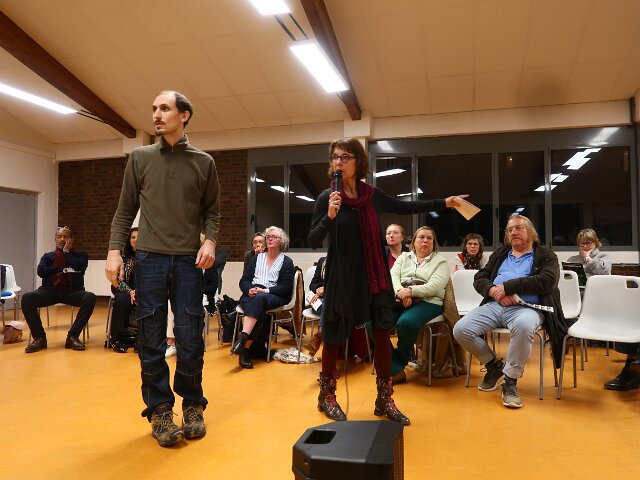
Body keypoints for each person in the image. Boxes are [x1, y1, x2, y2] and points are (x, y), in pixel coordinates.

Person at [308, 137, 467, 425]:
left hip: (373, 274)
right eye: (334, 157)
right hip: (343, 277)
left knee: (382, 333)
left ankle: (384, 398)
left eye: (345, 157)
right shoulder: (327, 198)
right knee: (333, 335)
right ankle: (326, 395)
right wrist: (329, 217)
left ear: (358, 162)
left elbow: (404, 206)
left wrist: (445, 203)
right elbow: (312, 239)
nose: (338, 162)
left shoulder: (371, 195)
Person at [105, 90, 220, 447]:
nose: (156, 114)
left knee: (189, 337)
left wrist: (210, 241)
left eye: (165, 108)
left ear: (184, 115)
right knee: (150, 339)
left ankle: (192, 405)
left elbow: (212, 212)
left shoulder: (204, 162)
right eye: (154, 108)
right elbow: (125, 209)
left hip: (188, 261)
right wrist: (114, 251)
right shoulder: (140, 158)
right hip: (150, 259)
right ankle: (159, 410)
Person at [453, 215, 567, 409]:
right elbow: (480, 277)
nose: (513, 232)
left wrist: (508, 287)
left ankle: (510, 381)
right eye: (510, 229)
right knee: (461, 329)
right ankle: (494, 366)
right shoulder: (501, 253)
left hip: (527, 308)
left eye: (519, 228)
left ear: (530, 231)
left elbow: (547, 281)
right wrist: (493, 291)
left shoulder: (545, 255)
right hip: (495, 305)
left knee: (523, 326)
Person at [566, 229, 640, 390]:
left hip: (600, 296)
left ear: (596, 243)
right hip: (578, 293)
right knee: (562, 298)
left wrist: (588, 259)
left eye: (588, 243)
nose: (585, 246)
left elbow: (602, 272)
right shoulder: (573, 259)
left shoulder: (604, 257)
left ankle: (633, 367)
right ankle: (563, 332)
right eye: (582, 244)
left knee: (629, 312)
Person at [390, 226, 450, 384]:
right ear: (413, 242)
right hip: (400, 298)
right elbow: (393, 276)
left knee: (406, 322)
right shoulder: (403, 257)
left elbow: (435, 286)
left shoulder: (440, 261)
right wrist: (401, 293)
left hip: (429, 301)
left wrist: (411, 292)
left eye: (429, 238)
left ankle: (395, 365)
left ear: (433, 243)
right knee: (372, 322)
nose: (425, 241)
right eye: (421, 237)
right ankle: (395, 368)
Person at [22, 226, 96, 353]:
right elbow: (41, 271)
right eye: (59, 237)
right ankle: (39, 338)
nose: (62, 239)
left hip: (72, 291)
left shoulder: (81, 255)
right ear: (55, 240)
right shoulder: (48, 256)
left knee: (90, 297)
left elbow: (79, 266)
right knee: (27, 298)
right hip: (50, 290)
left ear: (71, 239)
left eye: (65, 237)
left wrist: (66, 253)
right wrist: (61, 269)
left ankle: (72, 336)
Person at [232, 226, 295, 369]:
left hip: (274, 295)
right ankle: (245, 349)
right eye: (268, 236)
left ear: (281, 241)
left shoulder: (286, 261)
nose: (269, 238)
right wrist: (249, 289)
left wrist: (264, 290)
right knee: (257, 308)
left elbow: (285, 287)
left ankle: (242, 341)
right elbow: (244, 280)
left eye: (273, 236)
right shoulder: (256, 258)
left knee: (259, 300)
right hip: (252, 295)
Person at [108, 228, 138, 353]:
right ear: (129, 240)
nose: (136, 240)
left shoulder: (148, 259)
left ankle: (143, 339)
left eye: (139, 237)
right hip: (122, 288)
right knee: (123, 300)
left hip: (141, 290)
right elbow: (117, 280)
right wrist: (130, 291)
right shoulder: (122, 257)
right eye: (133, 237)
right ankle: (115, 338)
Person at [304, 256, 326, 356]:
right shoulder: (322, 261)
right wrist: (317, 289)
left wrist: (326, 289)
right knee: (327, 307)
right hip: (317, 299)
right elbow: (312, 284)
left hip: (332, 298)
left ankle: (318, 336)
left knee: (327, 305)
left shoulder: (342, 263)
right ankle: (319, 335)